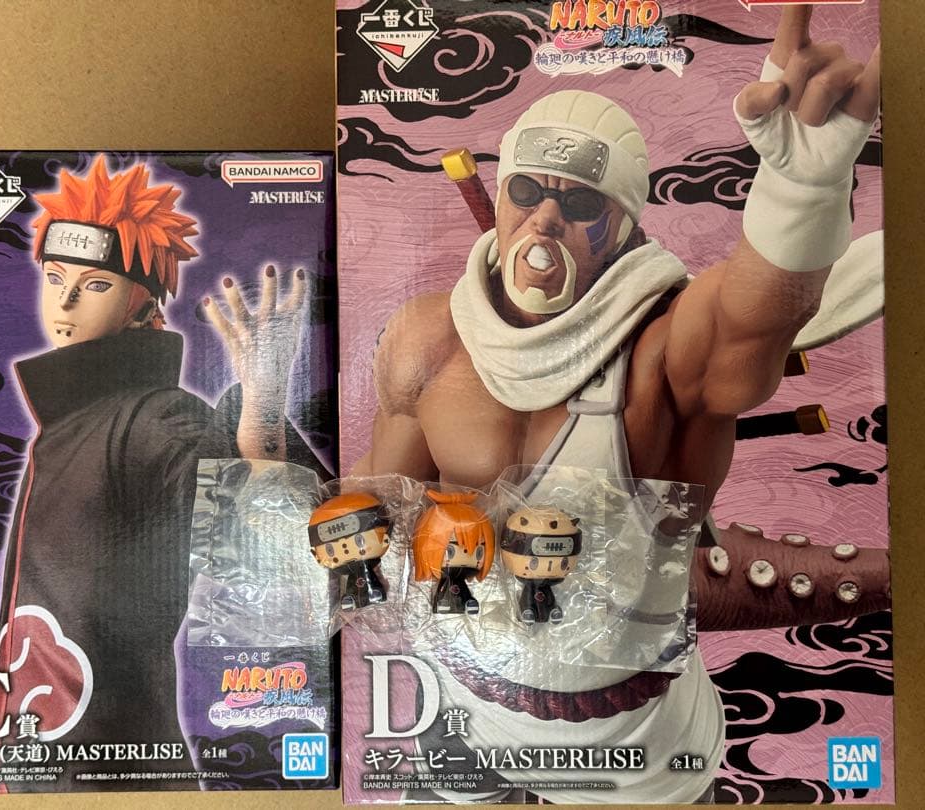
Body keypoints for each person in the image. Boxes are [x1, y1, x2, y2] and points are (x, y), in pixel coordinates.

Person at [360, 8, 889, 803]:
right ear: (498, 198)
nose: (544, 220)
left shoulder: (661, 353)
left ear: (622, 228)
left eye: (581, 205)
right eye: (528, 191)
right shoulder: (427, 339)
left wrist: (800, 191)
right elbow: (380, 509)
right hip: (465, 709)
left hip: (634, 748)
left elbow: (749, 319)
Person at [0, 155, 316, 791]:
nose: (63, 301)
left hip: (106, 766)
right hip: (12, 751)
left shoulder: (153, 415)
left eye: (94, 285)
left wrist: (261, 413)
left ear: (144, 304)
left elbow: (250, 537)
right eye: (54, 276)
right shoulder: (69, 421)